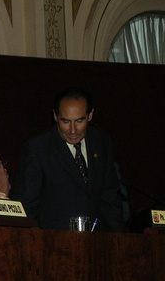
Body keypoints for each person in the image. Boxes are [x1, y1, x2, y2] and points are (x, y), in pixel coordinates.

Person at [10, 87, 124, 231]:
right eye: (65, 121)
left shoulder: (101, 142)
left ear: (90, 115)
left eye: (79, 121)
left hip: (98, 238)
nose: (72, 130)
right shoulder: (37, 149)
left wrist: (120, 238)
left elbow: (110, 198)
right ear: (55, 116)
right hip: (55, 239)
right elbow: (26, 207)